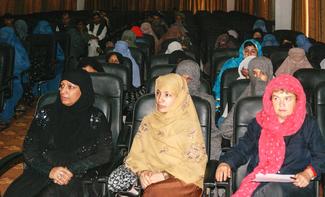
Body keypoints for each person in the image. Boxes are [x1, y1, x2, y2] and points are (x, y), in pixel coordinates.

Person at [4, 70, 113, 197]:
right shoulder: (46, 113)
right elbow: (29, 148)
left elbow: (105, 153)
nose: (63, 91)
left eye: (70, 87)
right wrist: (49, 171)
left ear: (83, 90)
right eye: (62, 85)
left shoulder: (96, 117)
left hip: (80, 174)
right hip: (43, 171)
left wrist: (71, 170)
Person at [215, 74, 325, 196]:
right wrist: (226, 163)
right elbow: (242, 149)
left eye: (287, 98)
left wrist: (308, 173)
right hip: (263, 182)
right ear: (270, 100)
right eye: (276, 98)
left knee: (269, 191)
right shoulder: (260, 123)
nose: (281, 104)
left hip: (297, 185)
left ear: (297, 100)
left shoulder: (308, 125)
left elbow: (321, 156)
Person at [122, 73, 207, 196]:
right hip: (152, 176)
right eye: (158, 93)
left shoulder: (188, 125)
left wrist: (164, 175)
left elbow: (194, 165)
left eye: (167, 95)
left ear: (179, 96)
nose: (160, 99)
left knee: (153, 192)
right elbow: (136, 154)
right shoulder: (148, 121)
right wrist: (143, 172)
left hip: (184, 179)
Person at [219, 56, 274, 142]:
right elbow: (225, 128)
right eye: (255, 73)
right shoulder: (245, 96)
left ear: (269, 74)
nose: (258, 77)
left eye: (262, 73)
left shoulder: (278, 97)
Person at [175, 60, 221, 159]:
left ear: (195, 80)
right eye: (180, 78)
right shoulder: (167, 98)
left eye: (188, 79)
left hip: (196, 154)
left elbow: (211, 134)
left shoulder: (206, 101)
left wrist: (211, 161)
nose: (184, 83)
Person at [212, 39, 262, 112]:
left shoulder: (264, 67)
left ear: (258, 54)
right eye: (246, 51)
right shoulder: (232, 65)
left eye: (253, 52)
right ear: (242, 53)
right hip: (234, 106)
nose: (249, 54)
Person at [0, 27, 30, 129]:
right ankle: (5, 118)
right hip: (11, 80)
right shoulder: (15, 46)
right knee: (16, 90)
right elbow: (25, 65)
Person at [32, 20, 65, 95]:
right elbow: (61, 57)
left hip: (35, 71)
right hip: (51, 71)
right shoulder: (52, 39)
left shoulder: (32, 38)